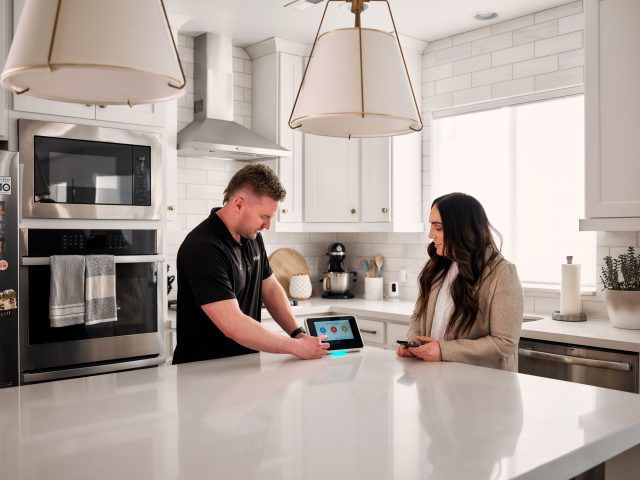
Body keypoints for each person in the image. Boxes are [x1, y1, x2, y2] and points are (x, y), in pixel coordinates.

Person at [173, 164, 328, 364]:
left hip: (243, 366)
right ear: (238, 204)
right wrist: (296, 347)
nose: (267, 225)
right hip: (203, 371)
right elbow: (233, 325)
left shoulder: (252, 237)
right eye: (264, 216)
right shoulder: (204, 247)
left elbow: (270, 288)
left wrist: (297, 333)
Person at [397, 192, 523, 371]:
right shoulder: (437, 266)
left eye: (438, 228)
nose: (431, 235)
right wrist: (413, 343)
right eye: (431, 226)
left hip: (482, 387)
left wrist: (443, 351)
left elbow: (505, 342)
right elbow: (418, 316)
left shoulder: (502, 273)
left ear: (462, 230)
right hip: (436, 378)